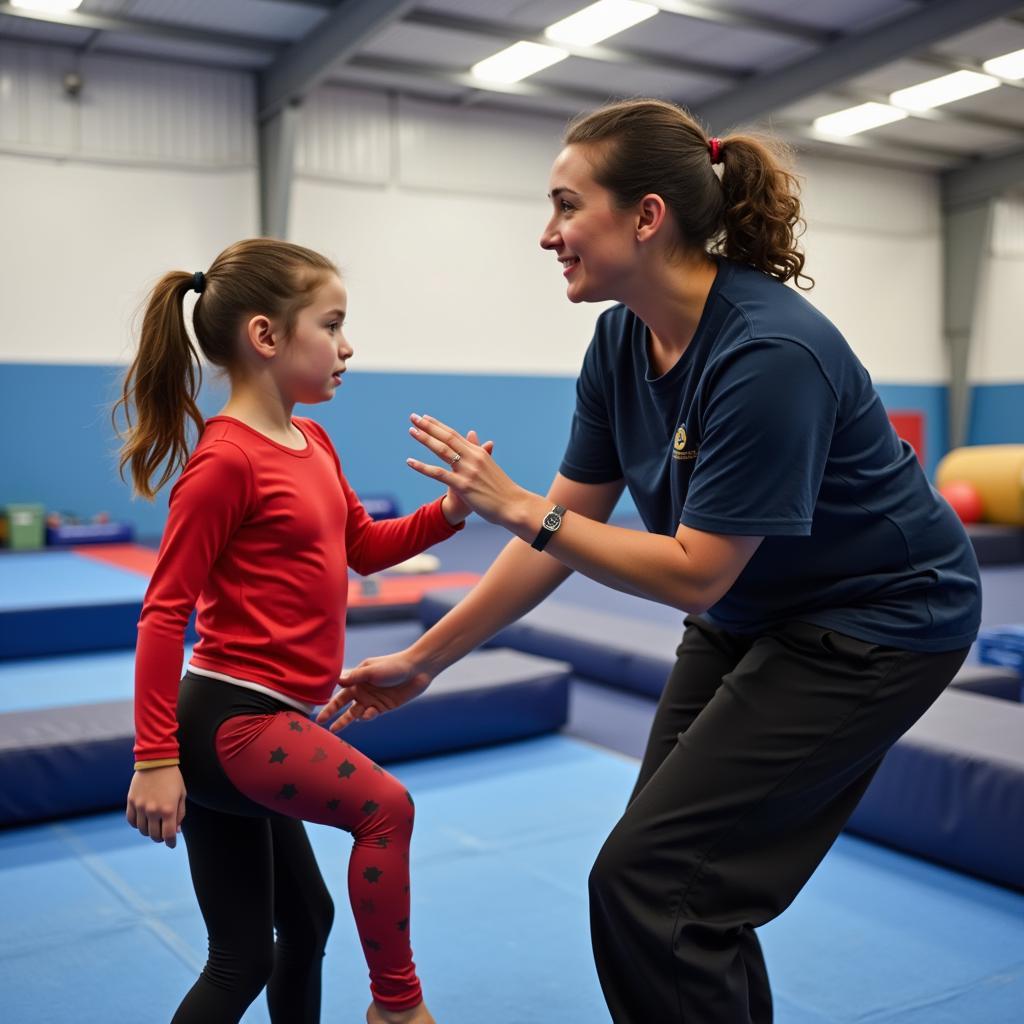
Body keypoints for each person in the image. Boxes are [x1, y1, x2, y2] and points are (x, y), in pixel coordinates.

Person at [316, 99, 982, 1024]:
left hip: (879, 620)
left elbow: (689, 569)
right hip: (751, 611)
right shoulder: (622, 340)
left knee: (651, 882)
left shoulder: (769, 352)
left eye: (564, 205)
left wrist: (519, 507)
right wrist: (426, 658)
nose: (546, 234)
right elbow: (566, 530)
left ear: (646, 216)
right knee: (677, 887)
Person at [117, 238, 482, 1024]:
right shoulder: (226, 463)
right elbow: (163, 611)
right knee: (386, 809)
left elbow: (360, 545)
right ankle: (398, 1007)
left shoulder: (312, 443)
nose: (348, 346)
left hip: (269, 719)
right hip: (230, 723)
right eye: (333, 323)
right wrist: (153, 758)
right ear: (267, 337)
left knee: (269, 942)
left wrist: (449, 514)